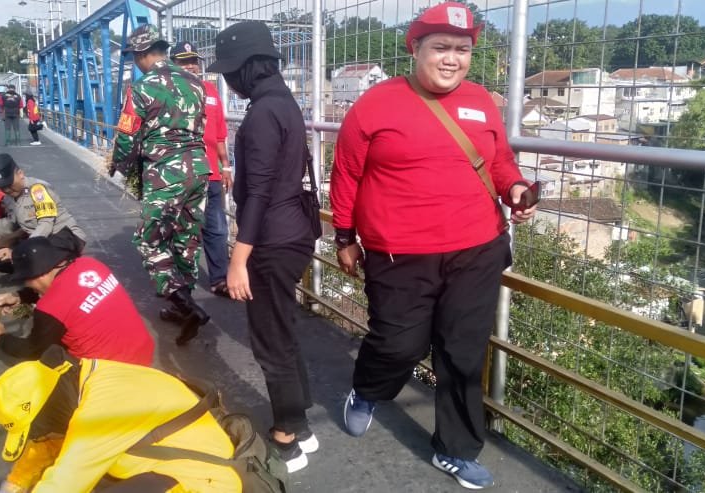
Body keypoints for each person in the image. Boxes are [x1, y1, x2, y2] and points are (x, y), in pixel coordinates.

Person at [329, 3, 537, 489]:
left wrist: (515, 189)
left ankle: (456, 450)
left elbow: (499, 162)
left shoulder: (482, 100)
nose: (451, 59)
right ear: (415, 48)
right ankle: (368, 390)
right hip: (399, 254)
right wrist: (344, 236)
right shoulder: (375, 104)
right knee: (398, 342)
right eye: (441, 47)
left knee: (462, 352)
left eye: (462, 50)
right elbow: (347, 174)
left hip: (477, 249)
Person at [206, 21, 319, 473]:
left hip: (270, 239)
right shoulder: (283, 102)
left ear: (248, 67)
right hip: (294, 233)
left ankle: (286, 440)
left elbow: (260, 193)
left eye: (231, 72)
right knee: (283, 332)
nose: (230, 82)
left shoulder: (261, 114)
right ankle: (302, 425)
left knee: (270, 341)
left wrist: (238, 259)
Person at [0, 348, 241, 492]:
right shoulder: (83, 378)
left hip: (203, 484)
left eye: (36, 429)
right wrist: (15, 482)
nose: (40, 436)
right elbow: (51, 442)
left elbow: (65, 483)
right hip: (173, 467)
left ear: (48, 410)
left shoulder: (97, 412)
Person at [109, 24, 211, 345]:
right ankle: (184, 304)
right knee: (186, 237)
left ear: (141, 55)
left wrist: (120, 167)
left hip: (166, 174)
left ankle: (185, 304)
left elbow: (127, 137)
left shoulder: (141, 88)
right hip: (199, 169)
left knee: (149, 240)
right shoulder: (196, 83)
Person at [0, 236, 155, 366]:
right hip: (142, 352)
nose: (26, 284)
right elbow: (70, 295)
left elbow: (32, 349)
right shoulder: (89, 264)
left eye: (25, 280)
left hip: (110, 373)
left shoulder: (50, 308)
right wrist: (19, 296)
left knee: (46, 361)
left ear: (36, 275)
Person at [170, 41, 233, 300]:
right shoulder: (166, 93)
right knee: (180, 229)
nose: (190, 66)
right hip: (179, 175)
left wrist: (226, 166)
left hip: (211, 174)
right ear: (172, 65)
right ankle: (179, 285)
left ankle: (220, 279)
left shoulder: (211, 91)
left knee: (216, 228)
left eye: (193, 61)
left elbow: (219, 135)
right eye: (183, 61)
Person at [0, 153, 86, 268]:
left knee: (21, 259)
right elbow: (13, 222)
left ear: (20, 174)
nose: (7, 189)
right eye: (2, 186)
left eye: (9, 184)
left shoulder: (38, 190)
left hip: (65, 238)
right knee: (1, 262)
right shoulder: (11, 197)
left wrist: (20, 251)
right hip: (43, 240)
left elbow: (45, 224)